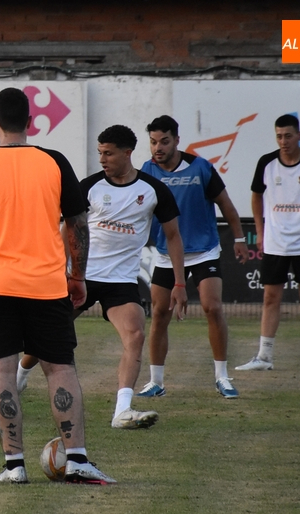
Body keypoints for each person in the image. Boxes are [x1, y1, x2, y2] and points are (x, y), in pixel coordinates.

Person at [0, 87, 115, 484]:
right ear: (31, 122)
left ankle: (14, 466)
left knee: (0, 373)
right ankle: (78, 459)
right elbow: (78, 225)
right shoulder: (54, 161)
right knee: (59, 369)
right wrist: (77, 276)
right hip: (45, 284)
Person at [19, 125, 188, 429]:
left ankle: (122, 410)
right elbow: (67, 229)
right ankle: (19, 377)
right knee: (47, 336)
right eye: (99, 153)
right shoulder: (88, 187)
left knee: (135, 335)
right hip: (81, 277)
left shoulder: (153, 190)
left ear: (127, 153)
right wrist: (59, 269)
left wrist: (179, 282)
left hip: (121, 283)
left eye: (108, 153)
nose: (102, 159)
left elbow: (173, 236)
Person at [137, 115, 249, 399]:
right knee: (160, 313)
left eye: (164, 141)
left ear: (177, 139)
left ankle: (222, 377)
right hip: (165, 255)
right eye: (153, 142)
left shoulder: (201, 168)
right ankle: (157, 382)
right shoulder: (147, 171)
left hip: (204, 250)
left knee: (212, 307)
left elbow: (227, 205)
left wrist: (238, 239)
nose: (158, 147)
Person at [235, 114, 300, 373]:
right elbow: (256, 196)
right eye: (279, 136)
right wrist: (260, 230)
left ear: (299, 136)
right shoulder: (267, 163)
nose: (283, 141)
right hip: (275, 243)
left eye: (288, 136)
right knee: (270, 298)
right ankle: (264, 357)